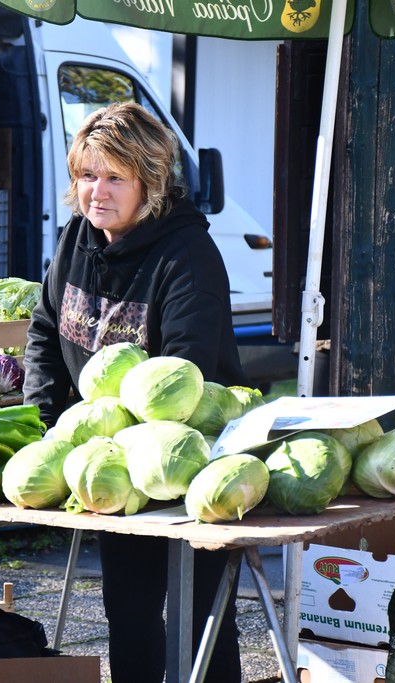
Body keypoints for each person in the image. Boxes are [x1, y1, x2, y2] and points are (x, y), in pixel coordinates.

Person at [23, 101, 246, 682]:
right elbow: (46, 332)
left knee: (204, 620)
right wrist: (46, 432)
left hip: (190, 459)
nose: (97, 191)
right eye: (87, 174)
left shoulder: (187, 256)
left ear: (151, 183)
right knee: (128, 610)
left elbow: (183, 375)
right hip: (111, 461)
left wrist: (121, 448)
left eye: (115, 177)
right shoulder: (76, 237)